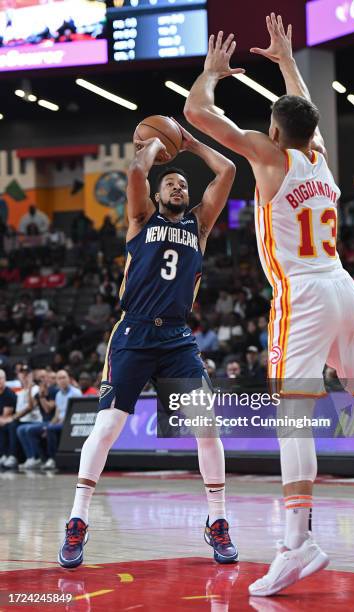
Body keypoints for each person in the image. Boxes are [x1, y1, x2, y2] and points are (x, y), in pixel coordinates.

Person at [184, 14, 354, 596]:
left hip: (303, 295)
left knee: (292, 417)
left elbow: (198, 115)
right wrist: (287, 62)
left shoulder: (270, 155)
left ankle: (296, 543)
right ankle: (297, 540)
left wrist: (209, 74)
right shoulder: (319, 154)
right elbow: (302, 108)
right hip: (342, 287)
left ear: (273, 130)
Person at [58, 120, 238, 569]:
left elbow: (228, 171)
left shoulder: (199, 224)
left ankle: (217, 522)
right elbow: (137, 173)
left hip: (176, 336)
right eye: (170, 183)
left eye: (182, 184)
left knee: (208, 429)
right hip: (134, 334)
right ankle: (77, 520)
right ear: (158, 195)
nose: (178, 187)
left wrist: (191, 143)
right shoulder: (140, 219)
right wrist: (155, 143)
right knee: (106, 429)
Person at [0, 369, 17, 466]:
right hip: (2, 420)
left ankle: (11, 455)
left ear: (5, 379)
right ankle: (2, 455)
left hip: (10, 419)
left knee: (6, 427)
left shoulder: (9, 394)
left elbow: (5, 415)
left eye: (0, 378)